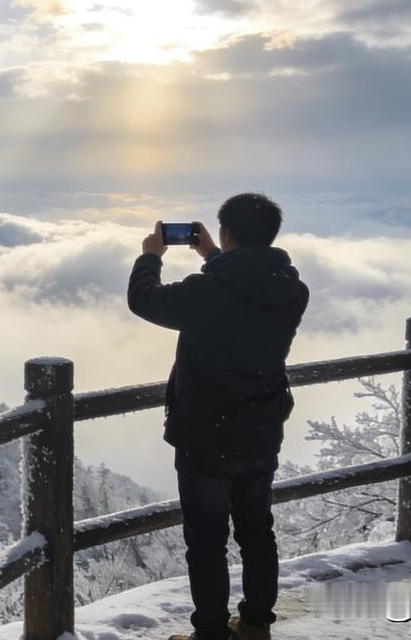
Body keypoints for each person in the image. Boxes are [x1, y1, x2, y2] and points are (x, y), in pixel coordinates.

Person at [128, 193, 309, 640]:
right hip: (262, 428)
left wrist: (150, 256)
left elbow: (144, 300)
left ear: (227, 232)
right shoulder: (292, 290)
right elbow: (247, 289)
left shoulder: (204, 293)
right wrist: (213, 255)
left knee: (208, 541)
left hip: (205, 435)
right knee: (257, 531)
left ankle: (210, 632)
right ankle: (255, 625)